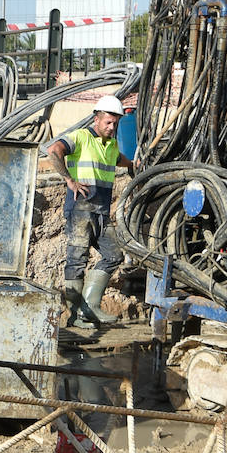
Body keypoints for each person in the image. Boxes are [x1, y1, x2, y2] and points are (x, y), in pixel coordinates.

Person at [45, 95, 132, 326]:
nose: (112, 127)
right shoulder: (82, 137)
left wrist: (133, 164)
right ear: (97, 119)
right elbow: (53, 150)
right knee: (77, 260)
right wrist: (69, 180)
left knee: (114, 255)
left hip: (101, 212)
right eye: (108, 122)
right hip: (81, 210)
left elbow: (117, 159)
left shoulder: (111, 144)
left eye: (115, 123)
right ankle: (74, 317)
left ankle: (89, 308)